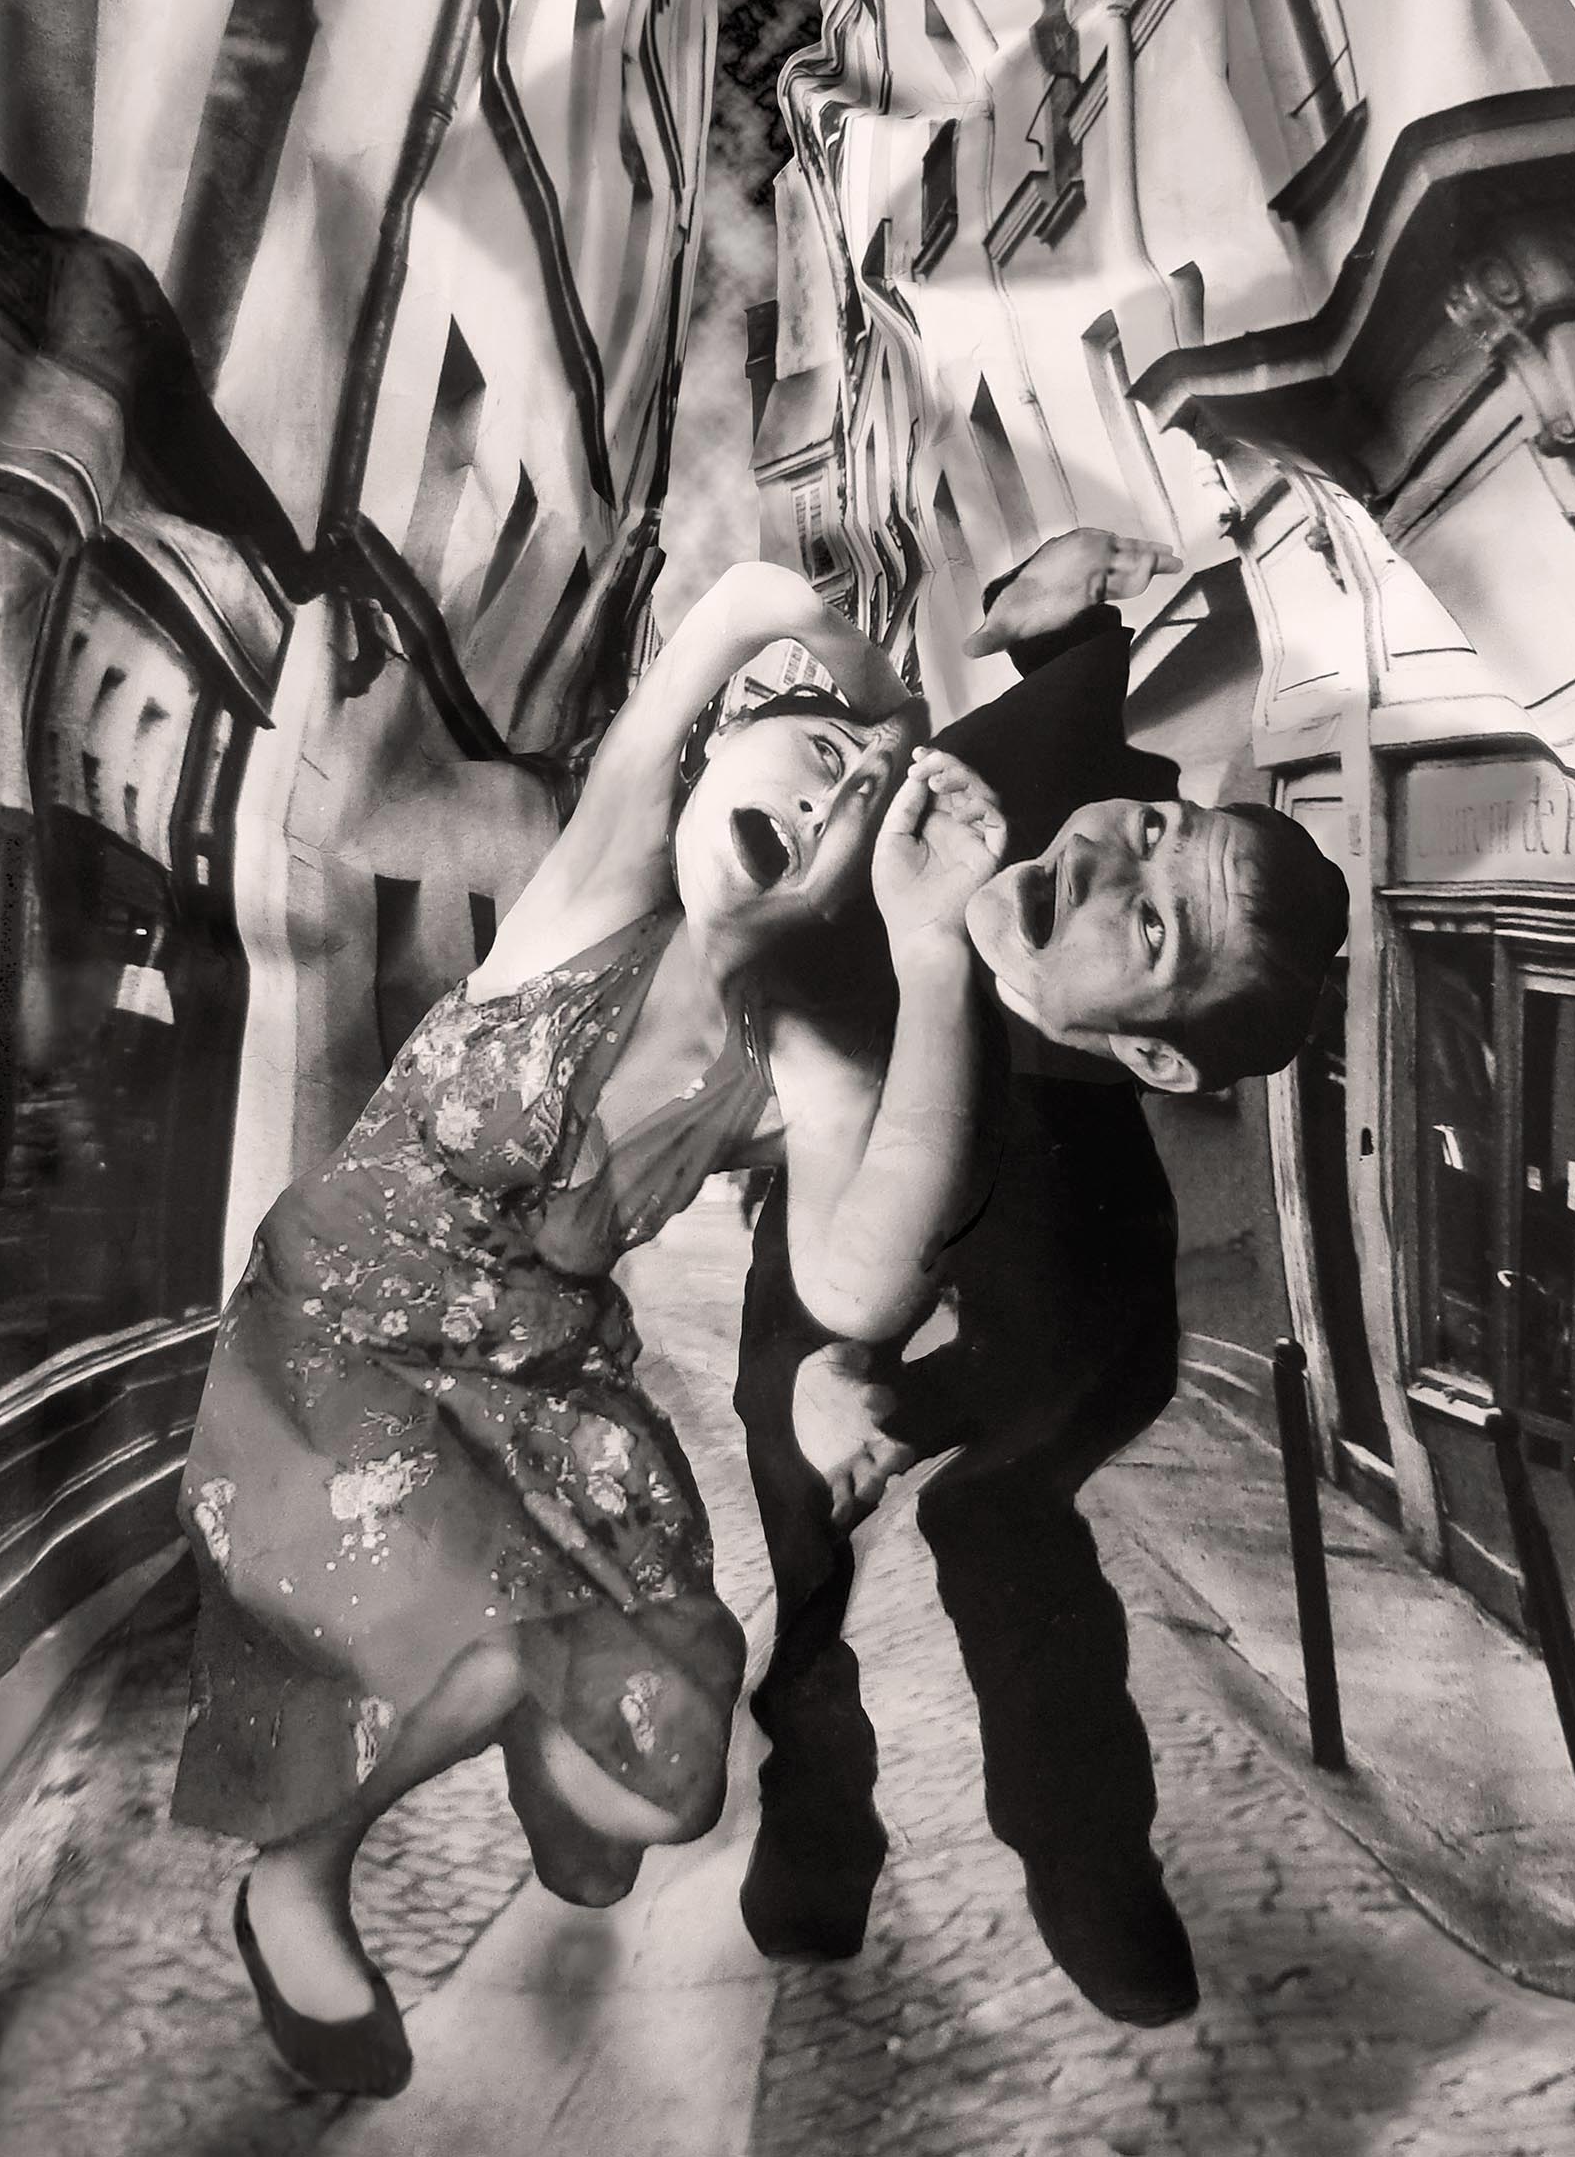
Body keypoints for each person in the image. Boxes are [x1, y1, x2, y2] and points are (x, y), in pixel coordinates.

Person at [170, 557, 1008, 2099]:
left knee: (667, 1782)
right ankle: (295, 1881)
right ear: (720, 743)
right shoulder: (604, 875)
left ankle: (537, 1741)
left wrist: (938, 951)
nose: (826, 799)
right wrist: (887, 699)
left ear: (852, 897)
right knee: (486, 1640)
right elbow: (739, 599)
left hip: (547, 1380)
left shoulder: (796, 1058)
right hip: (350, 1315)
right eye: (815, 754)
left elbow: (860, 1285)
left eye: (858, 817)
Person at [732, 528, 1351, 2029]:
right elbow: (1061, 666)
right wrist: (1044, 600)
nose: (1099, 861)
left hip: (1011, 1335)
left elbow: (1031, 1380)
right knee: (801, 1552)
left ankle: (1086, 1861)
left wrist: (884, 1396)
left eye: (1150, 925)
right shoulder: (1049, 779)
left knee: (1003, 1538)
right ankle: (817, 1821)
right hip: (823, 1194)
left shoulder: (1092, 1226)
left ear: (1149, 1053)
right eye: (1151, 828)